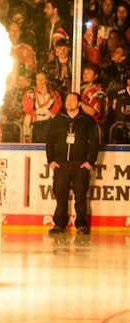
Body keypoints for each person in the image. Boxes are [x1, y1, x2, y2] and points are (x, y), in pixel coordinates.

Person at [37, 90, 101, 235]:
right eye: (67, 100)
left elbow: (95, 142)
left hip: (80, 165)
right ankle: (59, 224)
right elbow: (49, 141)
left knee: (80, 197)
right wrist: (51, 160)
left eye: (73, 100)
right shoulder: (58, 119)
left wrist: (90, 162)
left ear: (79, 103)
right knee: (60, 195)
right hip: (61, 164)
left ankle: (81, 224)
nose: (69, 103)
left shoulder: (87, 120)